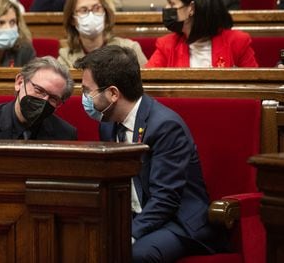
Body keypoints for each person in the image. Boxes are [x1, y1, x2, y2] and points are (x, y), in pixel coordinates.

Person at [74, 45, 228, 262]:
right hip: (136, 217)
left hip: (178, 222)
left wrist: (129, 233)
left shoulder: (165, 126)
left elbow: (165, 199)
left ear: (112, 94)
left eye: (87, 90)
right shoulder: (107, 125)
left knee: (136, 254)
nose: (84, 98)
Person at [146, 0, 258, 68]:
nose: (166, 8)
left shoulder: (237, 43)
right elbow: (148, 85)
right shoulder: (167, 45)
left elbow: (254, 88)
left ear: (191, 8)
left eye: (172, 3)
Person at [0, 56, 77, 140]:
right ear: (19, 82)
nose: (44, 101)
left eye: (53, 98)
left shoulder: (65, 133)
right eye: (39, 90)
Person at [59, 0, 146, 68]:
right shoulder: (65, 58)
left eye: (97, 8)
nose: (91, 15)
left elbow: (147, 81)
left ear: (105, 12)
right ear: (72, 19)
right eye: (84, 10)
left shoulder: (130, 49)